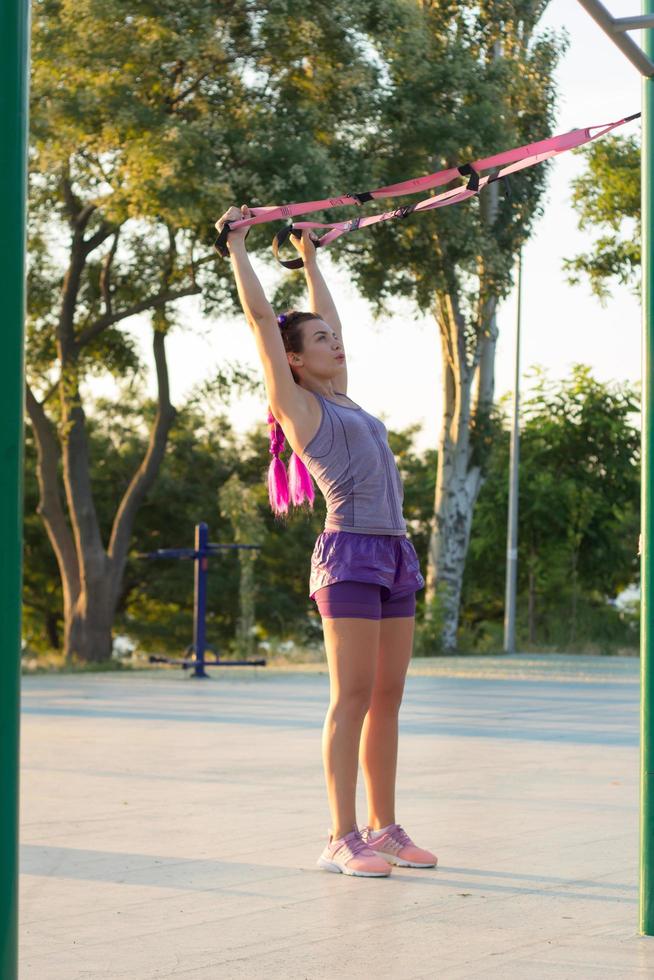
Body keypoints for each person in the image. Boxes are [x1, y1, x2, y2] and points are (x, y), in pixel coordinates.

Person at [215, 204, 437, 878]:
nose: (334, 344)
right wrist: (239, 244)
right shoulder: (299, 404)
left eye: (332, 338)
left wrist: (312, 258)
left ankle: (384, 827)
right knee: (352, 697)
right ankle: (341, 836)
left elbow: (333, 322)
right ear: (292, 360)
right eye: (319, 340)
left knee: (389, 697)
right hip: (348, 556)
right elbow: (260, 320)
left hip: (395, 550)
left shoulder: (344, 397)